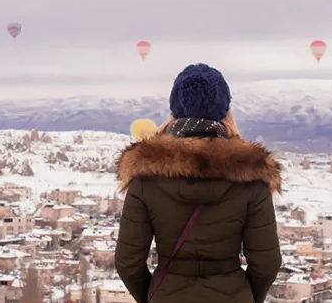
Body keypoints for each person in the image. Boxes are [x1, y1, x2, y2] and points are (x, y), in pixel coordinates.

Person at [115, 63, 283, 303]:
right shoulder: (252, 177)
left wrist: (154, 295)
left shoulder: (145, 178)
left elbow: (127, 262)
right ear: (225, 112)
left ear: (175, 110)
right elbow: (267, 263)